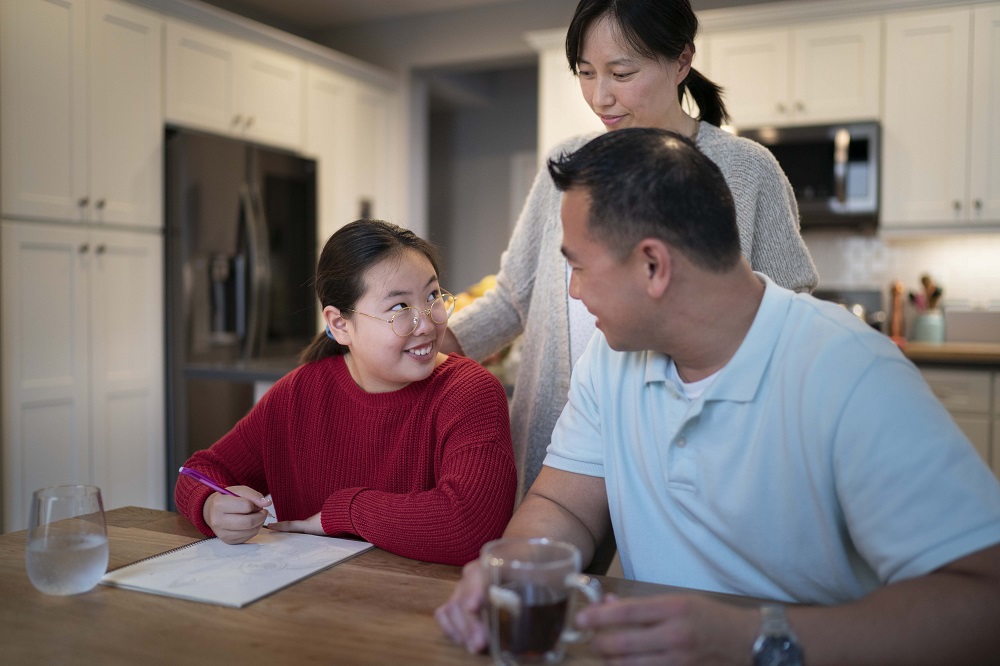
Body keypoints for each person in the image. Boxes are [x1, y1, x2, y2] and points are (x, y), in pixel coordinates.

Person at [435, 128, 1000, 664]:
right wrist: (515, 570)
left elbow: (982, 603)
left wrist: (753, 640)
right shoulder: (611, 359)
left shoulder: (851, 373)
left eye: (578, 268)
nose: (574, 292)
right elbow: (563, 507)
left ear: (654, 266)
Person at [443, 0, 819, 498]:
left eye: (622, 73)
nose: (601, 97)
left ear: (681, 61)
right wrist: (431, 346)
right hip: (559, 453)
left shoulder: (747, 170)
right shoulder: (566, 166)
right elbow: (515, 298)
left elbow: (787, 316)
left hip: (693, 459)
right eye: (585, 73)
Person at [175, 219, 517, 566]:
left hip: (420, 611)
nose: (428, 324)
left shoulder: (470, 392)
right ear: (340, 324)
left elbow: (471, 528)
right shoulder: (297, 395)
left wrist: (344, 512)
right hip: (305, 607)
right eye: (400, 308)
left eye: (432, 296)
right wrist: (210, 505)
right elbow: (198, 471)